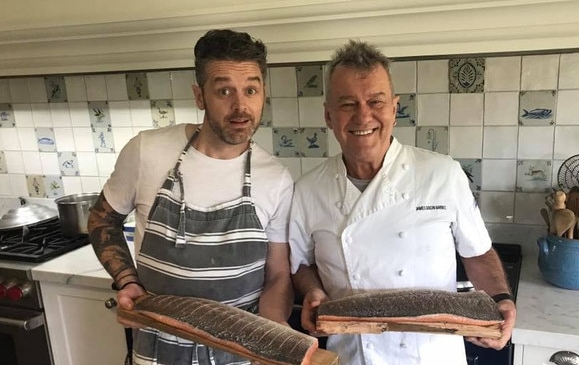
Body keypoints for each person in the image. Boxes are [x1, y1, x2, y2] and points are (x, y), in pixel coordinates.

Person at [289, 40, 516, 365]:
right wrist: (312, 291)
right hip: (352, 354)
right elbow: (300, 263)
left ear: (395, 109)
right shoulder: (308, 189)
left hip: (432, 356)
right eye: (347, 104)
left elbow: (478, 254)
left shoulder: (442, 174)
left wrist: (502, 298)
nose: (362, 115)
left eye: (375, 101)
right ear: (328, 115)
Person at [88, 29, 295, 365]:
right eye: (224, 90)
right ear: (200, 96)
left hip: (239, 355)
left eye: (251, 90)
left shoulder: (276, 179)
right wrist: (127, 280)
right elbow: (101, 218)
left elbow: (278, 275)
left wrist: (274, 326)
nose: (240, 106)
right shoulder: (148, 151)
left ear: (263, 93)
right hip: (155, 352)